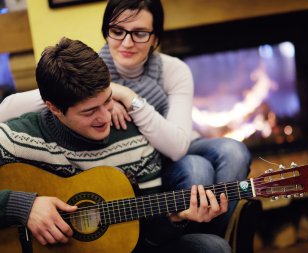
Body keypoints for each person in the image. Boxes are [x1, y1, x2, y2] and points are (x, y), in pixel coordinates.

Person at [0, 0, 251, 236]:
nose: (127, 42)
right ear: (106, 31)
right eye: (118, 31)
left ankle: (215, 232)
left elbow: (177, 147)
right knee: (199, 170)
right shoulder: (91, 72)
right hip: (138, 158)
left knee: (234, 152)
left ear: (155, 38)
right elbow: (8, 109)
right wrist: (101, 97)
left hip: (173, 144)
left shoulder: (173, 70)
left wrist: (128, 97)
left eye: (140, 33)